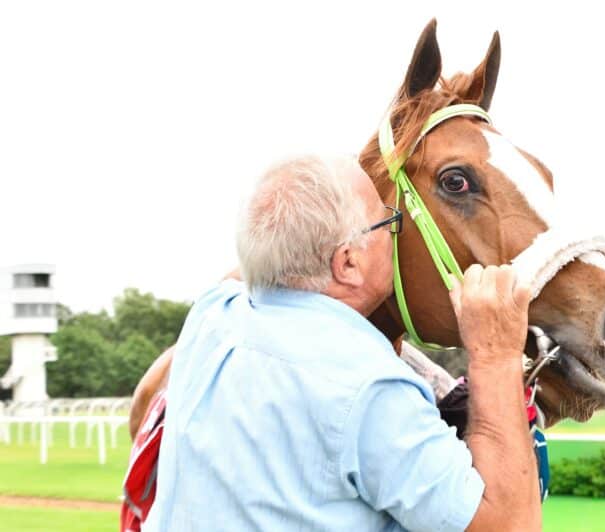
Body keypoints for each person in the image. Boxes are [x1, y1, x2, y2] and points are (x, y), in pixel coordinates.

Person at [143, 154, 541, 531]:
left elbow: (263, 253)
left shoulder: (212, 317)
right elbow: (508, 525)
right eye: (388, 222)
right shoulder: (370, 387)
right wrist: (495, 356)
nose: (394, 232)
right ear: (348, 262)